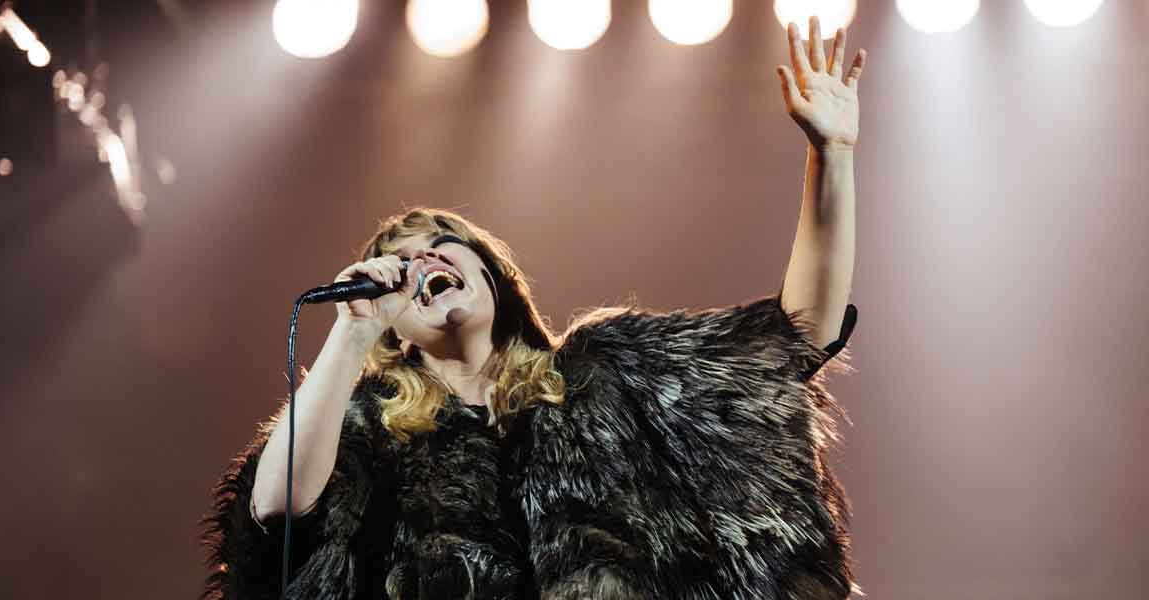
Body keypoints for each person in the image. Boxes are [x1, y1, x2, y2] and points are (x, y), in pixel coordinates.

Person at [202, 17, 866, 600]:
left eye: (442, 246)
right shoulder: (372, 430)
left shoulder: (606, 375)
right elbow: (276, 506)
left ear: (494, 279)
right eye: (402, 264)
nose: (426, 262)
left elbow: (799, 331)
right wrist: (350, 335)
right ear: (396, 330)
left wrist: (830, 154)